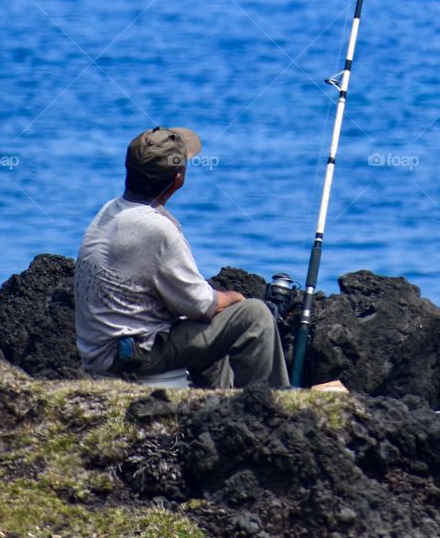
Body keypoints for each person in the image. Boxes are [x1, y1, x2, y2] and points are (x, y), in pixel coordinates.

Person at [74, 125, 289, 388]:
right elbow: (201, 306)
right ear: (178, 179)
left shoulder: (110, 210)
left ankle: (219, 407)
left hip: (103, 349)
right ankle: (272, 409)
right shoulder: (157, 229)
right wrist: (235, 298)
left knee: (213, 338)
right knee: (255, 315)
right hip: (131, 356)